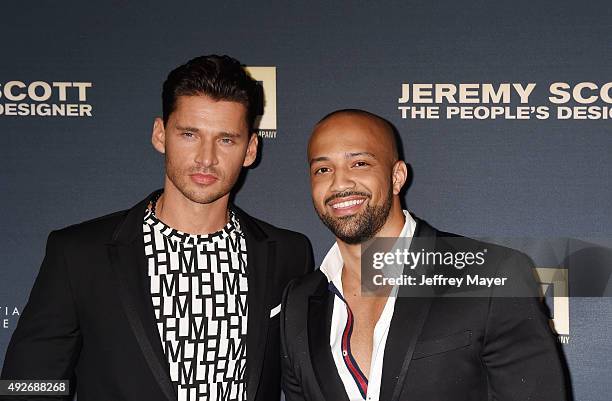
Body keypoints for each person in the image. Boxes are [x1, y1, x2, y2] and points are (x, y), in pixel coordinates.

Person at [1, 55, 313, 401]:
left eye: (226, 139)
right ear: (160, 134)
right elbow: (27, 387)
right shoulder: (78, 254)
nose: (206, 158)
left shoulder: (288, 253)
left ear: (250, 148)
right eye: (190, 134)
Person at [280, 109, 569, 401]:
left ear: (396, 177)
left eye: (359, 163)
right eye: (323, 170)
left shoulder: (491, 274)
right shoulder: (298, 303)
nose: (340, 183)